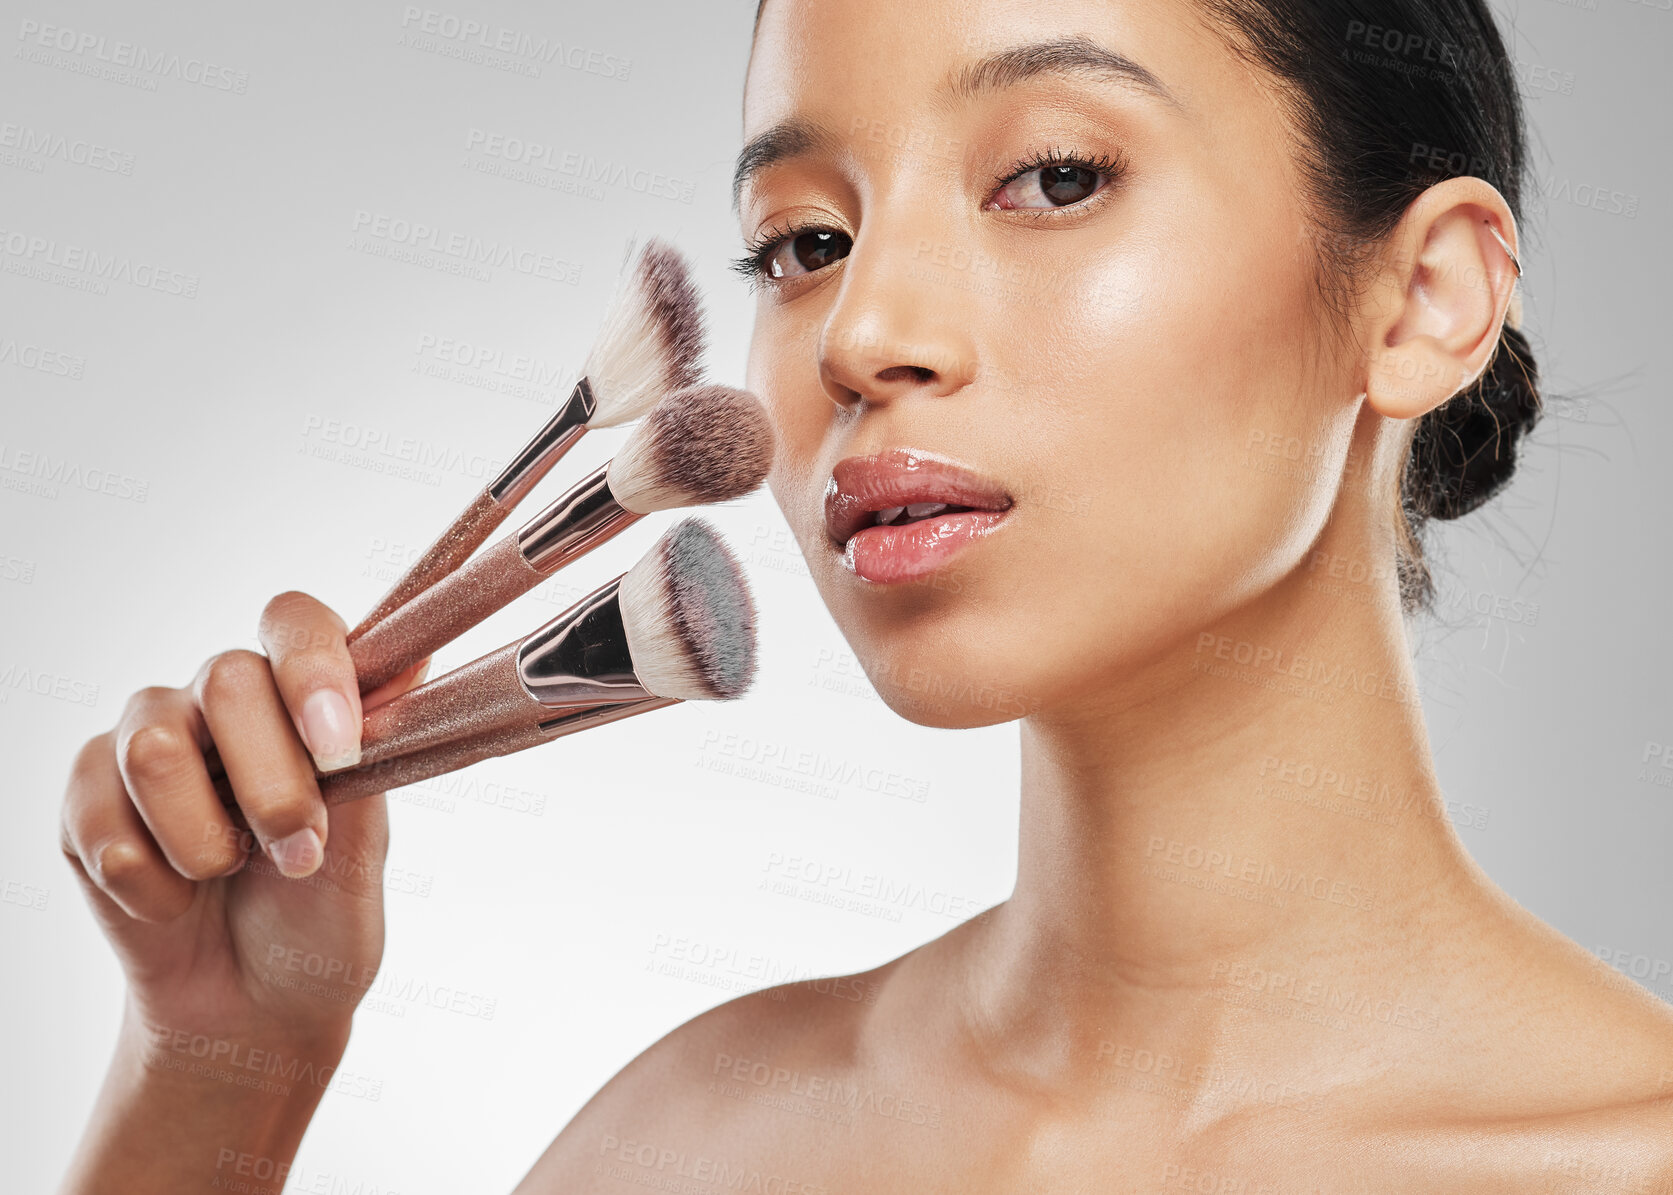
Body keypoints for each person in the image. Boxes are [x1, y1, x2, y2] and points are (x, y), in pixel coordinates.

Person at [59, 0, 1673, 1190]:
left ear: (1424, 298)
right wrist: (222, 1065)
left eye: (1050, 177)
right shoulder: (687, 1149)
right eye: (805, 239)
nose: (857, 332)